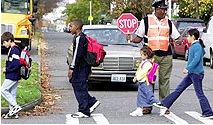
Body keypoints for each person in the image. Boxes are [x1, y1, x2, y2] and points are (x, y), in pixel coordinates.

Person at [126, 0, 181, 114]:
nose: (165, 12)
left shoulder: (169, 22)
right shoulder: (146, 21)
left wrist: (178, 41)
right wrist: (131, 39)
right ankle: (147, 106)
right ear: (156, 10)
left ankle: (164, 106)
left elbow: (177, 37)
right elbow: (139, 38)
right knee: (148, 82)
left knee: (164, 81)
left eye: (166, 9)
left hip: (166, 55)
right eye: (163, 9)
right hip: (151, 57)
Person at [154, 28, 213, 118]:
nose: (187, 38)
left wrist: (188, 68)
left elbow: (196, 59)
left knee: (199, 93)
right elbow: (201, 53)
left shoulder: (197, 46)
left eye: (188, 36)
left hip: (196, 73)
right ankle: (165, 103)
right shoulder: (195, 45)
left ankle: (208, 112)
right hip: (192, 73)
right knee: (179, 89)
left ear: (193, 37)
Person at [67, 19, 100, 118]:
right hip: (83, 67)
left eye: (71, 26)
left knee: (79, 87)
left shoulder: (79, 38)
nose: (70, 28)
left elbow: (77, 54)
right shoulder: (81, 37)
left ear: (77, 27)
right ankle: (91, 102)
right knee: (79, 86)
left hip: (80, 67)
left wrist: (72, 68)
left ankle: (84, 110)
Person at [130, 46, 160, 117]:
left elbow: (143, 72)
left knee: (149, 97)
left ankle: (161, 105)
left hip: (146, 82)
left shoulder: (148, 63)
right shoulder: (144, 62)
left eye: (142, 55)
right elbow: (139, 71)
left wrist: (137, 77)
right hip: (142, 82)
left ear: (146, 55)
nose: (141, 56)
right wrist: (136, 76)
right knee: (140, 96)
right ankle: (139, 109)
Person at [1, 32, 22, 119]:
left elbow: (15, 64)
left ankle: (15, 106)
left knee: (3, 90)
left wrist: (7, 70)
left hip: (12, 75)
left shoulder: (14, 50)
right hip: (14, 75)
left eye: (4, 42)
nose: (3, 44)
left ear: (9, 40)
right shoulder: (14, 49)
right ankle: (13, 112)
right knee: (12, 94)